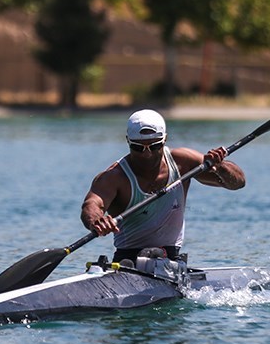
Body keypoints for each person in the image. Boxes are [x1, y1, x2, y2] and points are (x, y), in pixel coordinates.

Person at [81, 109, 245, 265]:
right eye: (138, 147)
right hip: (128, 261)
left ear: (164, 139)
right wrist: (96, 220)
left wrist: (220, 166)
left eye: (154, 146)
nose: (147, 153)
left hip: (171, 260)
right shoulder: (114, 177)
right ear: (128, 141)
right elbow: (92, 204)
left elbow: (237, 183)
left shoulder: (183, 162)